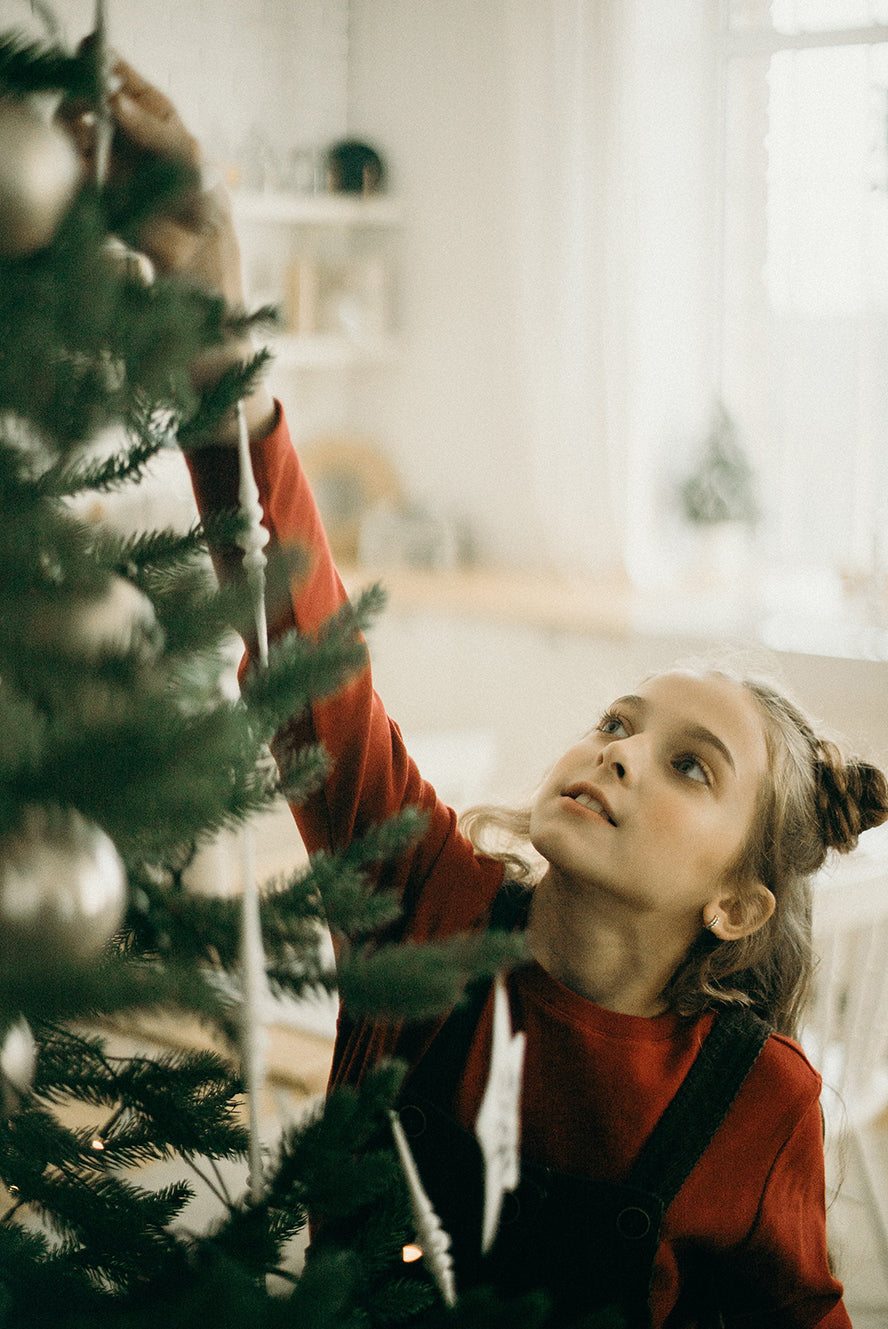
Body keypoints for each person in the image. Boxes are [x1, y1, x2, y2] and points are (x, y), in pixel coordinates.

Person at [73, 61, 888, 1328]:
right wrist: (214, 322)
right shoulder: (423, 905)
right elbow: (303, 637)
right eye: (620, 722)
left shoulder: (763, 1104)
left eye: (687, 764)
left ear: (739, 901)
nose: (618, 751)